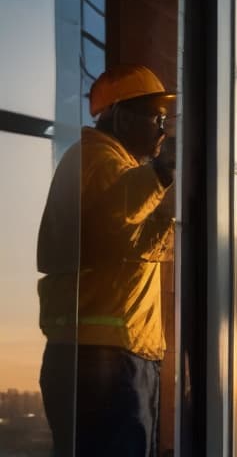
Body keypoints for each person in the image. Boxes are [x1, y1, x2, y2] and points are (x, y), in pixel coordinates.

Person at [37, 64, 176, 457]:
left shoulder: (116, 167)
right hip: (106, 355)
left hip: (111, 351)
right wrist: (162, 174)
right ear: (120, 115)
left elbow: (130, 245)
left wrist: (167, 213)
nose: (162, 129)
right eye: (156, 117)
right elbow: (117, 216)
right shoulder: (96, 159)